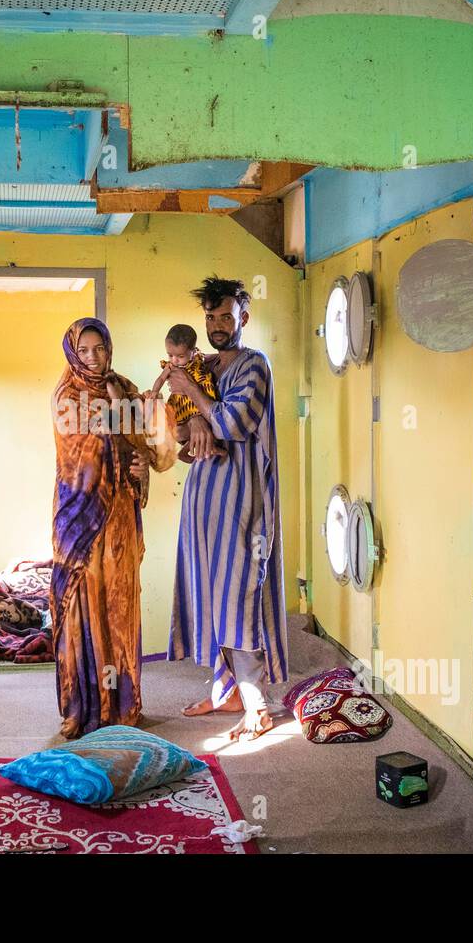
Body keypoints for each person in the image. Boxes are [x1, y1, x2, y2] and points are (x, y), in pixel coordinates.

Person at [167, 277, 289, 742]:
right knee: (208, 595)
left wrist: (197, 401)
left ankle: (257, 705)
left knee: (238, 598)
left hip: (242, 501)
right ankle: (229, 693)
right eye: (211, 318)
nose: (218, 326)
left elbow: (235, 423)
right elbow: (179, 430)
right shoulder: (202, 366)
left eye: (226, 317)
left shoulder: (254, 365)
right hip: (202, 498)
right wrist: (194, 415)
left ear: (244, 317)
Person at [50, 317, 176, 738]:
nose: (92, 358)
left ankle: (120, 707)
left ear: (109, 348)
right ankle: (80, 709)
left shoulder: (123, 386)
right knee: (81, 612)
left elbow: (150, 450)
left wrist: (142, 466)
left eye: (99, 348)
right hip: (80, 522)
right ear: (72, 352)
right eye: (84, 350)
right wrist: (123, 433)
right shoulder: (65, 396)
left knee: (119, 609)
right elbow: (81, 455)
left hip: (119, 517)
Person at [148, 323, 226, 463]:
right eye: (170, 355)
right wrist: (154, 391)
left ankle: (209, 449)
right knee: (182, 428)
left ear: (193, 351)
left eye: (180, 356)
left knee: (208, 426)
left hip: (200, 401)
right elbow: (160, 378)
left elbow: (217, 359)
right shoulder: (171, 367)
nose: (174, 360)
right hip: (182, 404)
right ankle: (185, 452)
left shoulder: (199, 359)